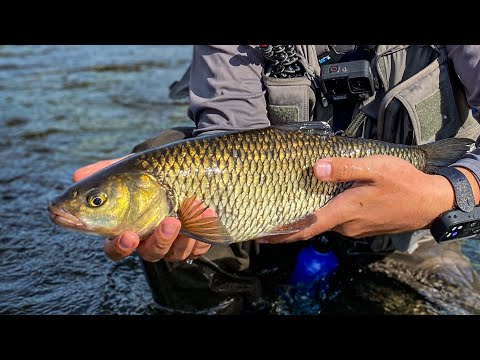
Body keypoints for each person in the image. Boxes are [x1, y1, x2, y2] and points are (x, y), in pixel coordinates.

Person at [73, 45, 480, 314]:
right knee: (163, 148)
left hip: (410, 226)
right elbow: (228, 141)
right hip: (267, 216)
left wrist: (444, 191)